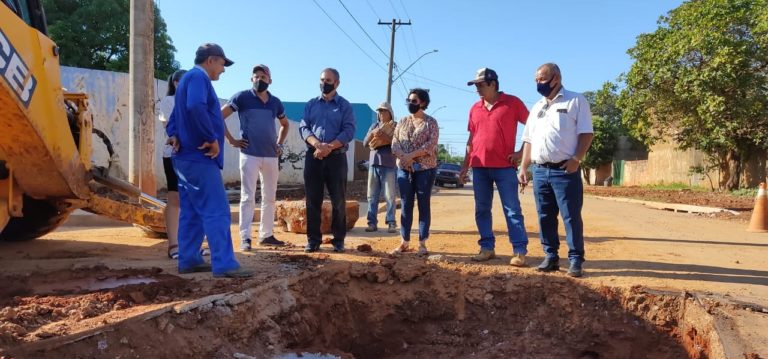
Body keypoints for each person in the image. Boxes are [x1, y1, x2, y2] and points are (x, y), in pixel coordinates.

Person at [165, 43, 252, 278]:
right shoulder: (198, 78)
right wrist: (211, 138)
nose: (223, 70)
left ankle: (190, 260)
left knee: (192, 211)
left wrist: (172, 134)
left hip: (185, 160)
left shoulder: (186, 81)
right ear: (211, 60)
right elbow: (194, 107)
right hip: (200, 157)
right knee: (217, 210)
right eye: (223, 64)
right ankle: (224, 264)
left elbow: (174, 116)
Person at [518, 63, 594, 278]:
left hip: (565, 171)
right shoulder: (537, 107)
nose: (537, 84)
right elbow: (528, 140)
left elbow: (586, 134)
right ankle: (550, 256)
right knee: (545, 216)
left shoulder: (576, 100)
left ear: (556, 79)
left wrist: (576, 159)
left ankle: (575, 259)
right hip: (540, 171)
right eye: (535, 80)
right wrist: (524, 167)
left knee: (570, 216)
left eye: (541, 79)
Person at [459, 68, 529, 266]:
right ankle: (487, 247)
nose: (477, 89)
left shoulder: (513, 103)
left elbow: (532, 128)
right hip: (479, 168)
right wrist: (465, 166)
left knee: (512, 209)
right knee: (482, 209)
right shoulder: (474, 108)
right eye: (476, 86)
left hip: (505, 167)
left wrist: (521, 153)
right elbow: (471, 139)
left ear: (493, 84)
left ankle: (519, 251)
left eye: (481, 85)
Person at [221, 64, 290, 251]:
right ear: (251, 79)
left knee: (269, 197)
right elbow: (219, 116)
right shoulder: (241, 97)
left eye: (264, 76)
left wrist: (280, 144)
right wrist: (231, 140)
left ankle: (266, 235)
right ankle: (245, 237)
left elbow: (285, 124)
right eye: (256, 76)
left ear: (270, 80)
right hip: (249, 154)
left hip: (270, 156)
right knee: (247, 197)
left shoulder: (275, 102)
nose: (260, 79)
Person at [299, 68, 356, 253]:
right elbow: (304, 128)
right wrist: (317, 145)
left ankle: (338, 240)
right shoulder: (311, 104)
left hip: (336, 159)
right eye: (322, 79)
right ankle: (313, 240)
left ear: (337, 83)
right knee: (312, 201)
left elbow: (348, 131)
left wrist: (329, 147)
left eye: (329, 80)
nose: (325, 83)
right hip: (313, 157)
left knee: (338, 201)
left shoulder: (345, 106)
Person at [391, 88, 439, 256]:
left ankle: (422, 242)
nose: (410, 104)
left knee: (423, 204)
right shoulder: (402, 121)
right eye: (409, 101)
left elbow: (430, 145)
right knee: (405, 204)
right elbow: (395, 143)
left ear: (423, 103)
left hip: (425, 169)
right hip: (404, 169)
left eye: (414, 101)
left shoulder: (431, 122)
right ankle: (404, 241)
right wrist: (405, 158)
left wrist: (411, 156)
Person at [157, 69, 186, 259]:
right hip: (174, 155)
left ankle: (190, 244)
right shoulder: (169, 102)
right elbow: (169, 127)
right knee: (175, 198)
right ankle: (174, 245)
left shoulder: (193, 102)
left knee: (190, 200)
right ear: (176, 83)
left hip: (192, 157)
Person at [362, 101, 398, 234]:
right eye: (379, 111)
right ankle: (372, 223)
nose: (381, 113)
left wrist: (385, 138)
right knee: (371, 196)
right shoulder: (374, 126)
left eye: (384, 111)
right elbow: (365, 142)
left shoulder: (395, 127)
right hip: (373, 164)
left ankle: (391, 223)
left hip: (388, 164)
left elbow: (397, 144)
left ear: (390, 113)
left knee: (390, 196)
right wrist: (373, 134)